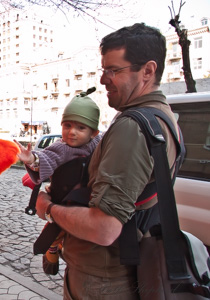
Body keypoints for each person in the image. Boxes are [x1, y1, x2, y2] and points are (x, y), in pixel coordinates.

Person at [34, 23, 180, 299]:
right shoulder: (164, 116)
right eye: (103, 70)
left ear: (148, 71)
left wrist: (49, 208)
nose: (103, 79)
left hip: (101, 280)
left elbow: (104, 228)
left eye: (113, 70)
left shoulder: (132, 127)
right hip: (120, 269)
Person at [14, 89, 101, 274]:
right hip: (63, 200)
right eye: (67, 125)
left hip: (85, 203)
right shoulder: (60, 148)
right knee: (55, 230)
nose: (72, 132)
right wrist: (31, 159)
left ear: (94, 132)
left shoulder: (97, 144)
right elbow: (46, 159)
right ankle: (51, 250)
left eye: (81, 128)